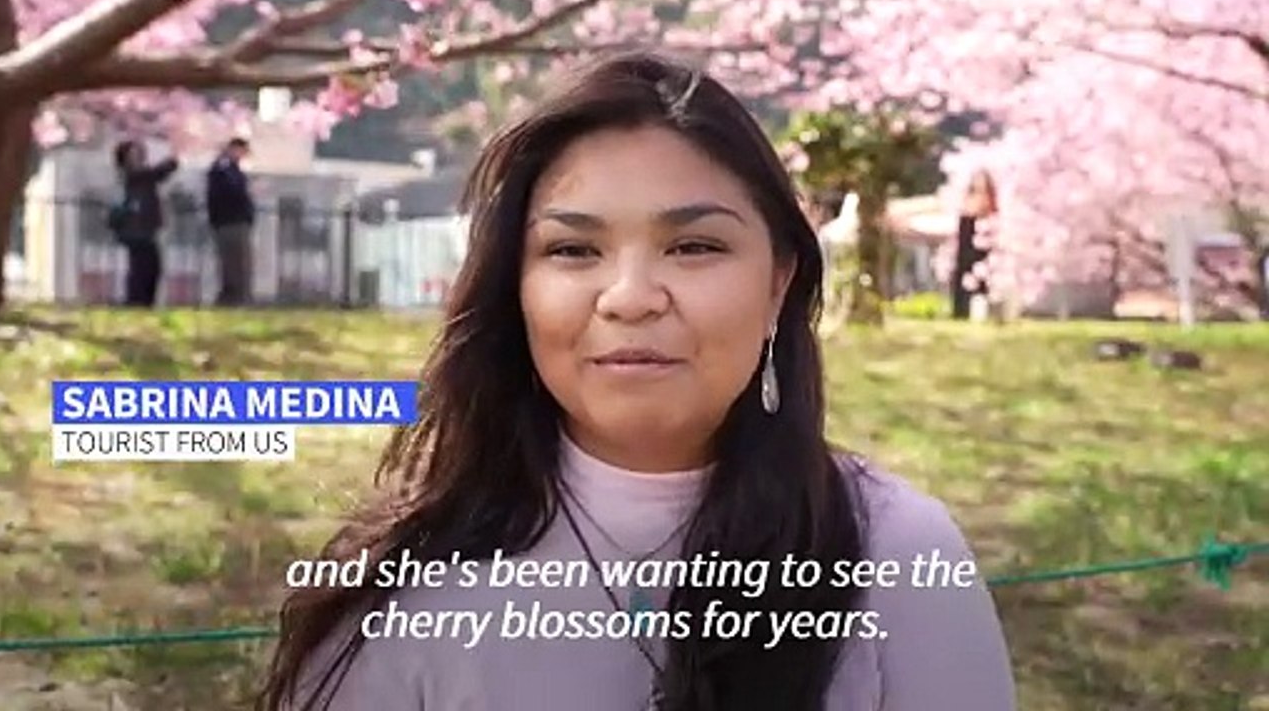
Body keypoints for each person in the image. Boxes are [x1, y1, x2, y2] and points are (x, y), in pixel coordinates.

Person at [257, 51, 1015, 711]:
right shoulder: (404, 591)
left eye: (693, 246)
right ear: (512, 287)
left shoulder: (899, 556)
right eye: (573, 251)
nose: (629, 296)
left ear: (779, 280)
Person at [111, 139, 178, 307]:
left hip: (146, 227)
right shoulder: (132, 174)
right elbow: (157, 173)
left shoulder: (140, 175)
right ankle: (137, 300)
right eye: (132, 153)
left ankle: (145, 301)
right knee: (142, 266)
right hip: (136, 228)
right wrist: (172, 160)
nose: (136, 156)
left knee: (151, 266)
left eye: (138, 152)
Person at [206, 137, 255, 306]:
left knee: (238, 264)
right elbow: (231, 193)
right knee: (233, 264)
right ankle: (231, 298)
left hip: (233, 221)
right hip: (229, 222)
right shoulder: (223, 169)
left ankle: (237, 298)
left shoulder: (230, 170)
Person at [951, 170, 997, 320]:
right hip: (966, 251)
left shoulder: (991, 209)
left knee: (982, 285)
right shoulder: (966, 206)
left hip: (984, 252)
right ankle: (961, 313)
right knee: (964, 282)